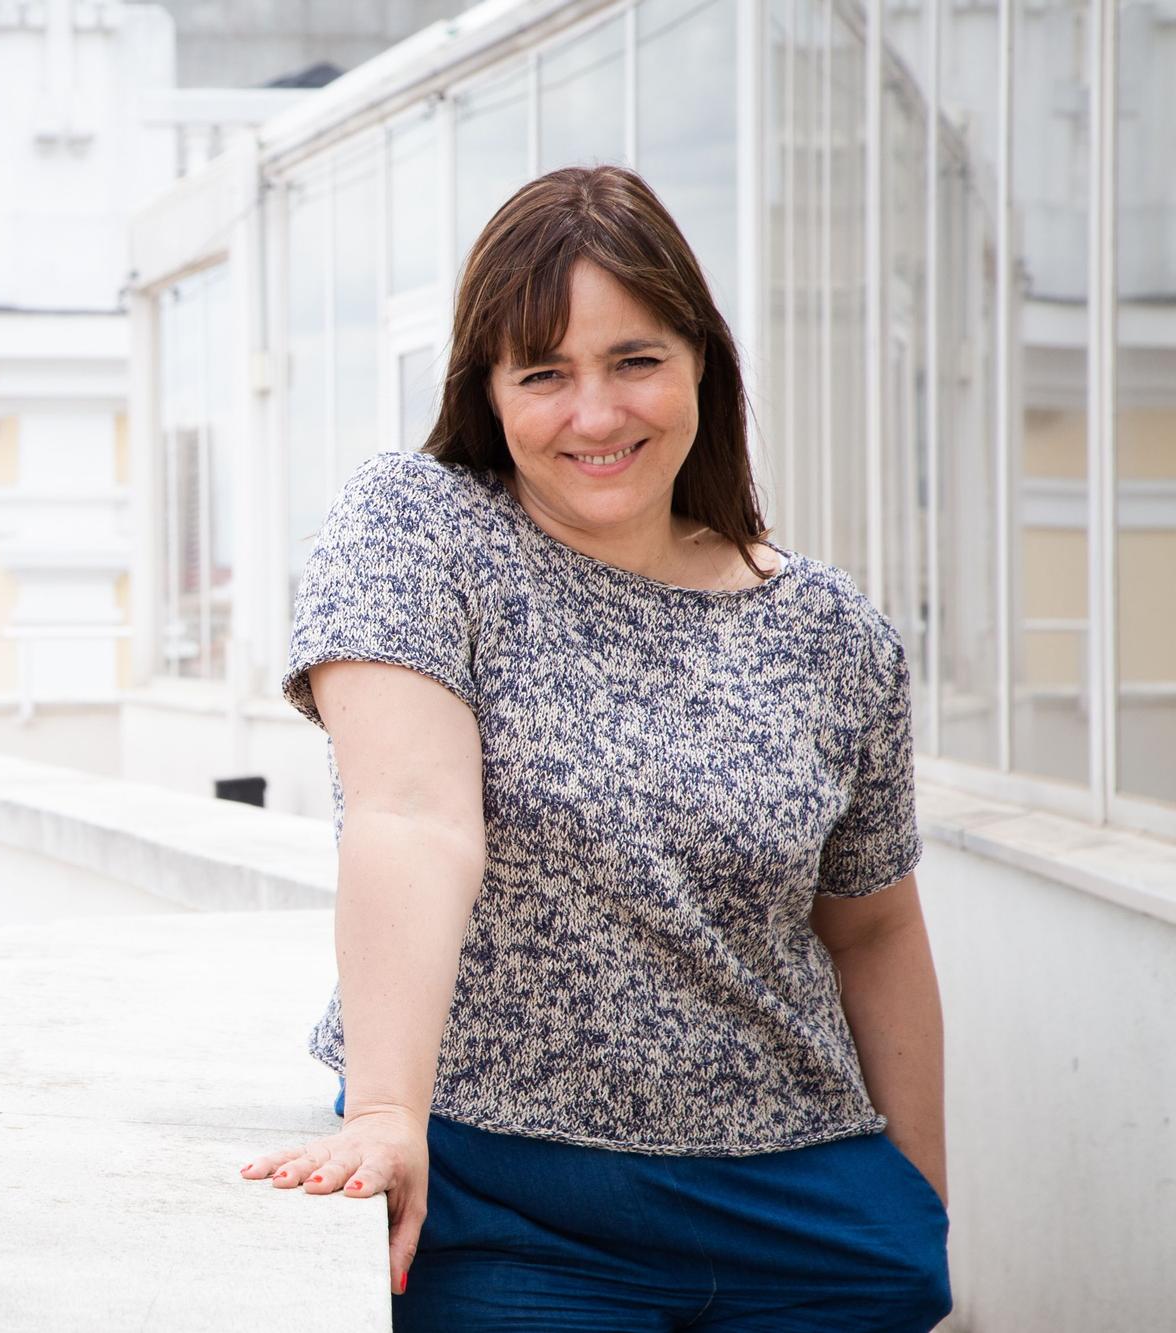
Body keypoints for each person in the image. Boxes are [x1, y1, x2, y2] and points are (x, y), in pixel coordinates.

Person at [236, 164, 953, 1331]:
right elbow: (411, 819)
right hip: (507, 1201)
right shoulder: (418, 530)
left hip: (807, 1213)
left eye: (633, 361)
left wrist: (918, 1204)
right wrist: (380, 1114)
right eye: (544, 373)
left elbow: (873, 926)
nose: (594, 413)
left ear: (700, 365)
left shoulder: (832, 633)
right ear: (489, 391)